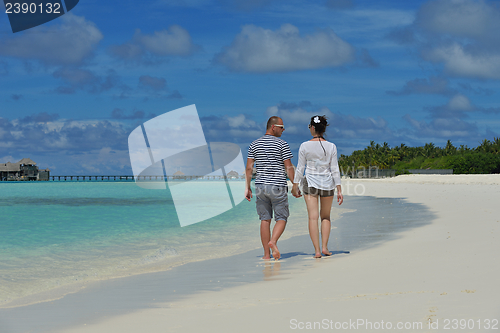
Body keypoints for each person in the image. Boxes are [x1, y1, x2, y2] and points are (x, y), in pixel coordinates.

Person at [245, 116, 298, 260]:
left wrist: (247, 187)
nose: (283, 130)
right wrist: (295, 184)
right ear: (273, 127)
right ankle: (273, 241)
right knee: (282, 217)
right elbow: (288, 167)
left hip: (261, 186)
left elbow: (249, 168)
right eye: (281, 127)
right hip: (277, 185)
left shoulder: (254, 144)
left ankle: (266, 255)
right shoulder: (282, 144)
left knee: (264, 219)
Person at [291, 115, 343, 258]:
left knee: (312, 218)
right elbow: (335, 169)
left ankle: (317, 251)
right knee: (325, 216)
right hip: (327, 184)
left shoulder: (304, 146)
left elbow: (300, 168)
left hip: (310, 183)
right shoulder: (331, 146)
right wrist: (339, 188)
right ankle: (325, 247)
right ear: (324, 128)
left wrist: (295, 185)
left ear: (312, 128)